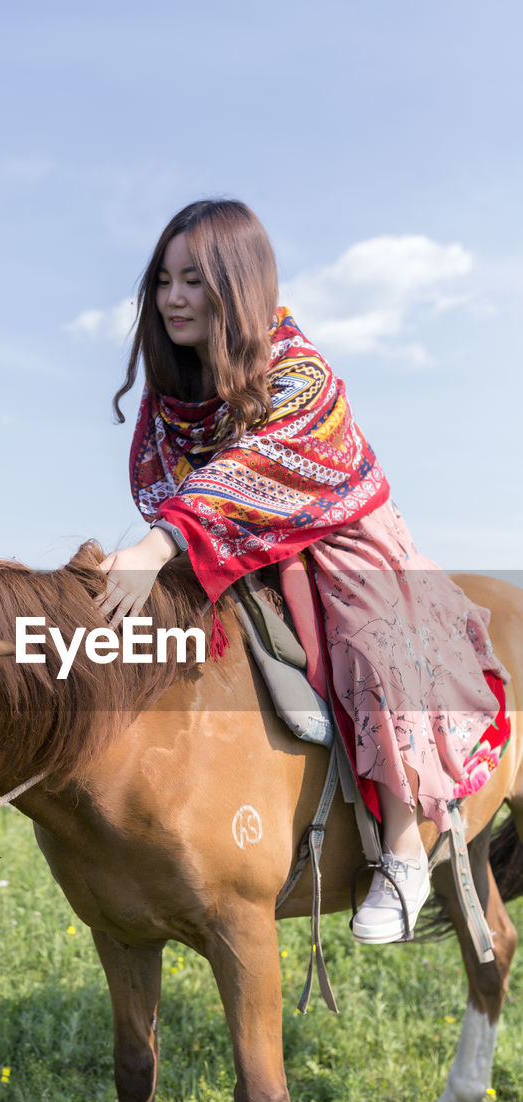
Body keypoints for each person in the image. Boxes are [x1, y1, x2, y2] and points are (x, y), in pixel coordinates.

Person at [97, 199, 508, 945]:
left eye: (193, 279)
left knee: (373, 638)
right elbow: (175, 479)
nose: (173, 298)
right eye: (163, 280)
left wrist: (161, 544)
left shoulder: (299, 370)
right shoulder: (170, 396)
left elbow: (260, 466)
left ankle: (405, 851)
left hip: (333, 526)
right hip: (223, 540)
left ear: (238, 284)